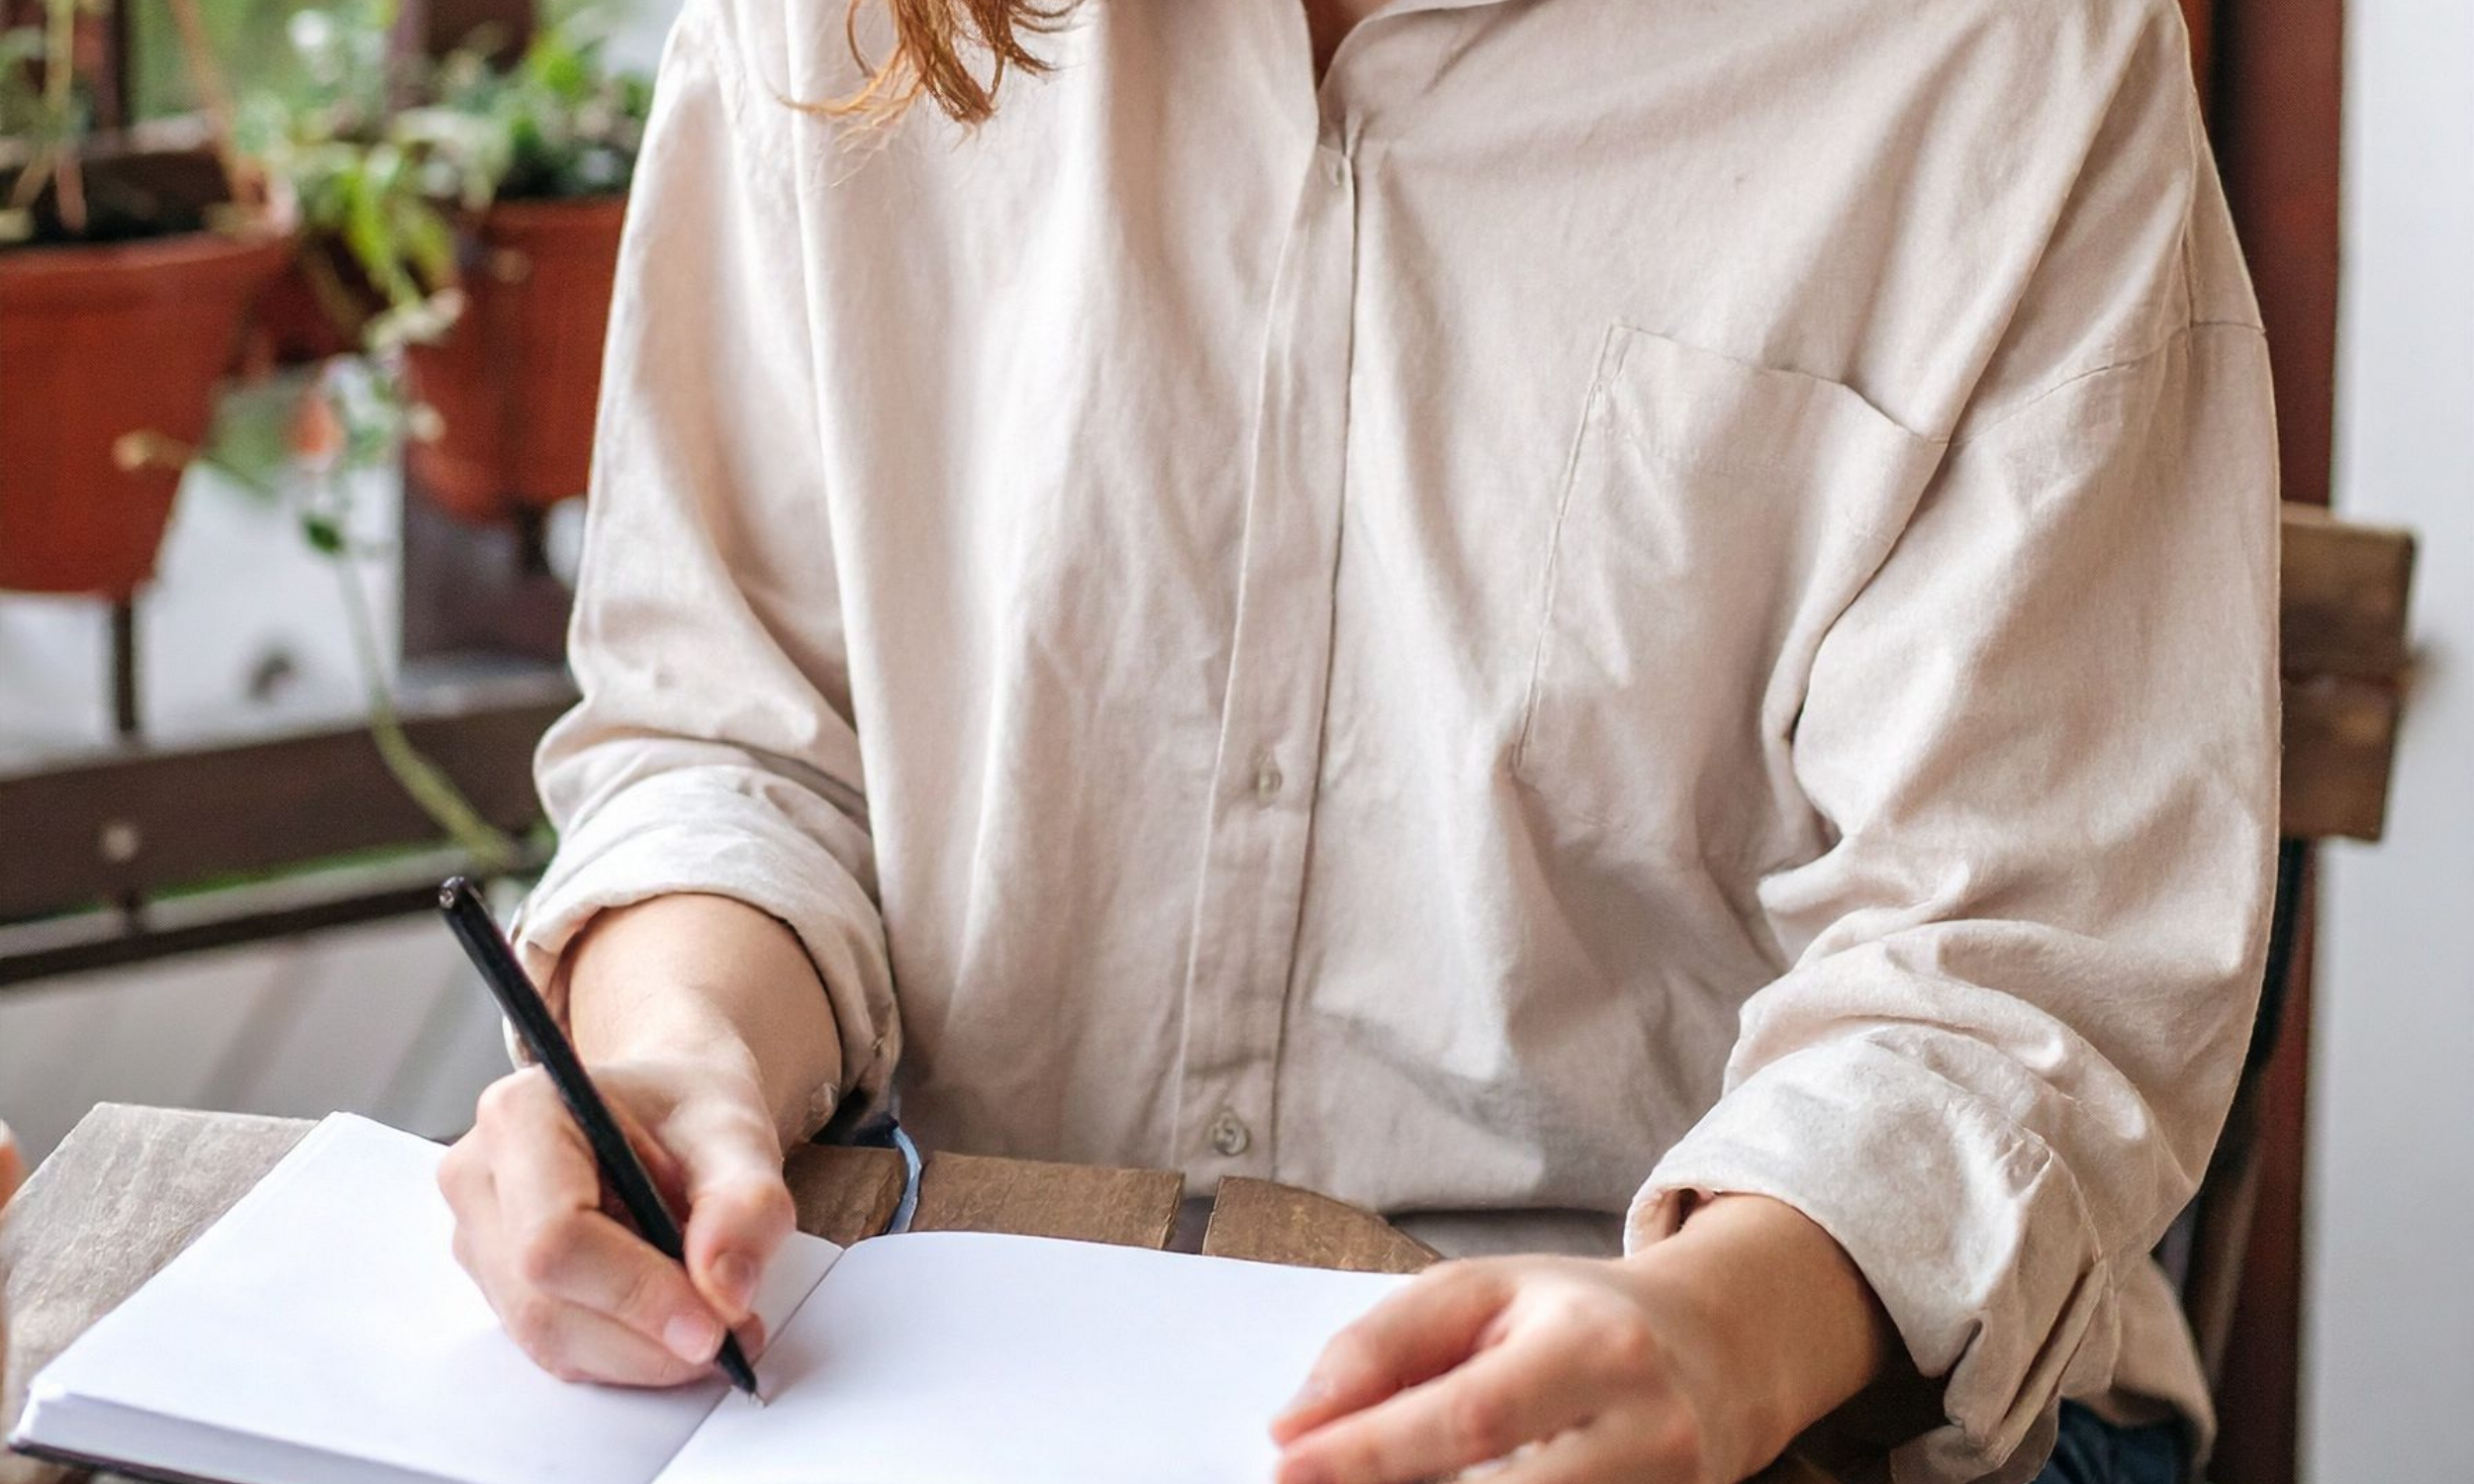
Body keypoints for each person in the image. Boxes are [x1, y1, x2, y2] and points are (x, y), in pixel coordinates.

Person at [434, 0, 2278, 1480]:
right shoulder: (831, 29)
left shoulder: (2007, 57)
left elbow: (2013, 971)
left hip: (1800, 1362)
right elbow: (738, 741)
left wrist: (1717, 1337)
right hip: (964, 1341)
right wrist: (676, 1052)